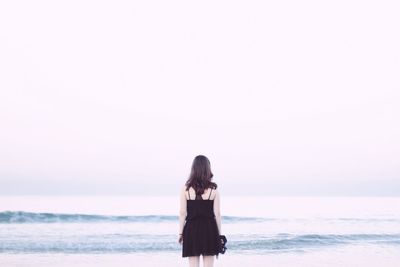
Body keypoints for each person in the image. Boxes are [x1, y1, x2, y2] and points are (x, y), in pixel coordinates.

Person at [179, 155, 222, 267]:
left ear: (193, 169)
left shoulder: (185, 189)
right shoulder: (214, 190)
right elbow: (217, 214)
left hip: (191, 229)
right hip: (209, 229)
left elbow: (182, 212)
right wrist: (219, 234)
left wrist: (180, 232)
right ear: (208, 169)